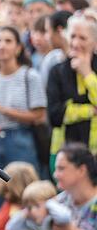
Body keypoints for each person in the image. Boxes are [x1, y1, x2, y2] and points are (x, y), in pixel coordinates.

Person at [0, 26, 46, 227]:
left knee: (28, 195)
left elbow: (38, 115)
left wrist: (2, 109)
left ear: (18, 47)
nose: (2, 46)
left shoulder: (29, 76)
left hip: (21, 139)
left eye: (8, 41)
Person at [47, 15, 97, 163]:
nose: (76, 43)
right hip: (64, 153)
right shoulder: (57, 71)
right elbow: (55, 115)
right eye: (73, 36)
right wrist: (91, 111)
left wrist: (87, 74)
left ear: (94, 42)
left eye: (83, 38)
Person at [40, 10, 73, 89]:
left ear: (59, 30)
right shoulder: (51, 59)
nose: (46, 37)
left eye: (47, 31)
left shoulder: (86, 58)